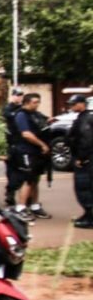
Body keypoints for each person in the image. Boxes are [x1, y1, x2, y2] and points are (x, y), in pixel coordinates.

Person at [13, 92, 52, 220]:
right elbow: (26, 134)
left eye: (38, 102)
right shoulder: (21, 115)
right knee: (28, 179)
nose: (37, 104)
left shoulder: (35, 114)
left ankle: (35, 206)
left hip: (36, 152)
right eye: (35, 102)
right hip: (26, 151)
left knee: (35, 179)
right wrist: (42, 145)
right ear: (27, 102)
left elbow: (45, 121)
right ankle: (21, 208)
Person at [66, 94, 93, 228]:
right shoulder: (84, 117)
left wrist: (81, 158)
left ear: (82, 104)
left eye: (74, 104)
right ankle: (87, 214)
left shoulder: (86, 119)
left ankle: (90, 217)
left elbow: (86, 140)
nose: (71, 106)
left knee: (84, 188)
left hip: (87, 160)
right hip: (87, 158)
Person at [2, 87, 25, 207]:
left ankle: (23, 195)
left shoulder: (22, 109)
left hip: (22, 144)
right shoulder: (9, 108)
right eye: (17, 95)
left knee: (22, 172)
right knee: (12, 171)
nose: (19, 97)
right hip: (12, 145)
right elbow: (8, 115)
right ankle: (10, 194)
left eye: (21, 95)